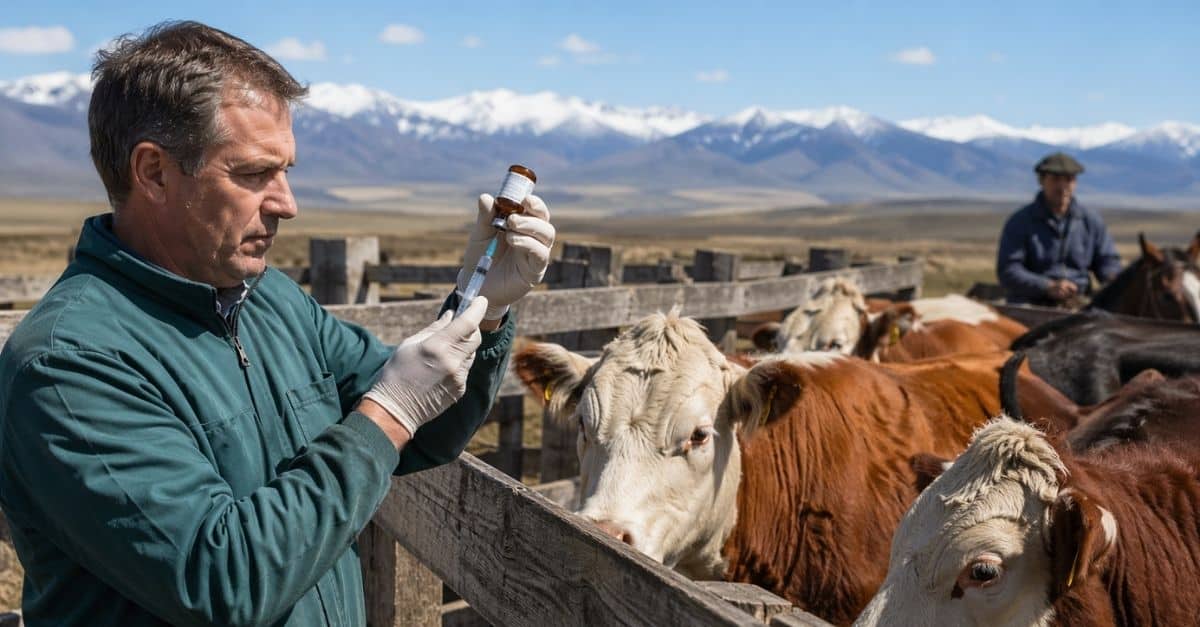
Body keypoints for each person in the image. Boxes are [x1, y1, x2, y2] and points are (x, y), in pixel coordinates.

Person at [0, 21, 555, 626]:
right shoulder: (68, 366)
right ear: (154, 172)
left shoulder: (268, 300)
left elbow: (426, 427)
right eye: (253, 173)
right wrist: (389, 412)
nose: (286, 202)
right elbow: (222, 579)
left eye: (285, 170)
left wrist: (482, 306)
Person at [996, 151, 1122, 306]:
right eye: (1055, 180)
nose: (1062, 187)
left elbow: (1107, 260)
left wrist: (1113, 277)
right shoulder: (1021, 222)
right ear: (1041, 181)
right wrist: (1047, 286)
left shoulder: (1090, 221)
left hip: (1080, 302)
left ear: (1075, 183)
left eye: (1068, 180)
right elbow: (1009, 270)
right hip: (1030, 303)